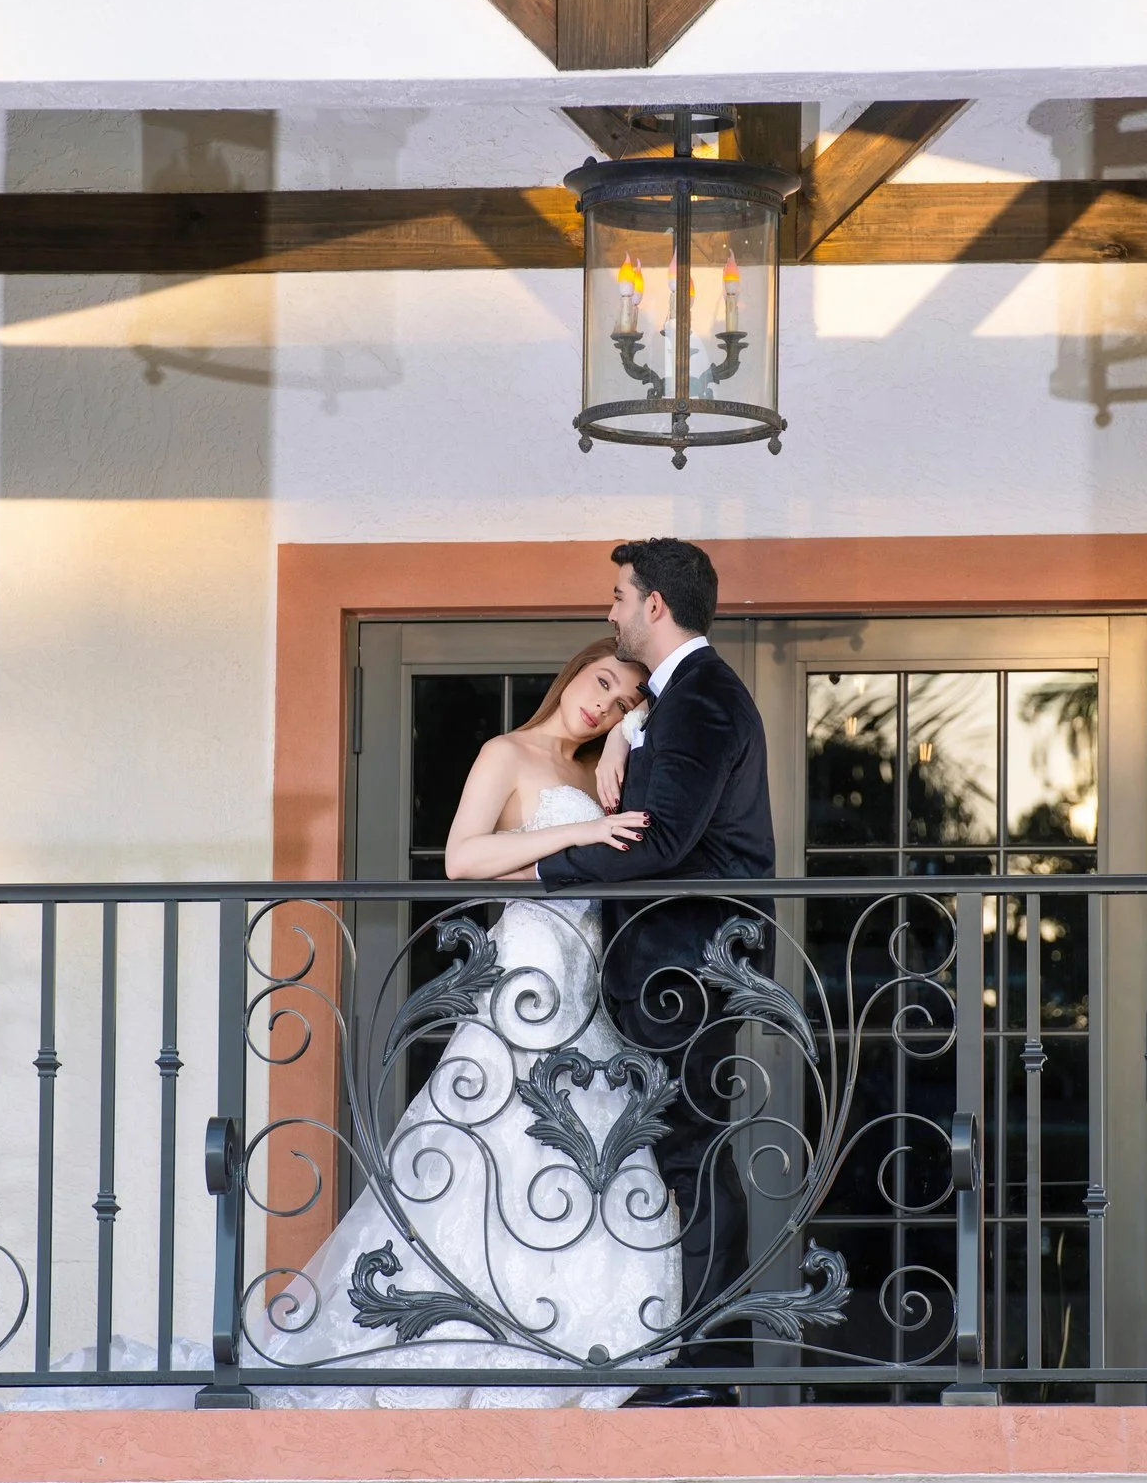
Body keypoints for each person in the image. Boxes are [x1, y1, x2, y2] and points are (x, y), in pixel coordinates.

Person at [245, 640, 681, 1408]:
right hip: (526, 972)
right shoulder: (506, 753)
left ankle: (569, 1336)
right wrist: (578, 834)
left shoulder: (600, 771)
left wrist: (622, 735)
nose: (602, 702)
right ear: (573, 666)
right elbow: (463, 859)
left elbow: (608, 835)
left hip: (588, 983)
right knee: (489, 1145)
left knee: (591, 1157)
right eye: (601, 682)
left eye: (619, 702)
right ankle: (457, 1338)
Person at [539, 538, 775, 1407]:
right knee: (673, 1155)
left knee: (693, 1157)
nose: (609, 612)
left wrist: (543, 874)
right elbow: (667, 774)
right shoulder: (679, 698)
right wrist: (631, 728)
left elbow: (666, 837)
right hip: (680, 960)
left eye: (618, 596)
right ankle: (683, 1359)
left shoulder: (704, 697)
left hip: (691, 961)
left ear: (655, 607)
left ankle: (707, 1371)